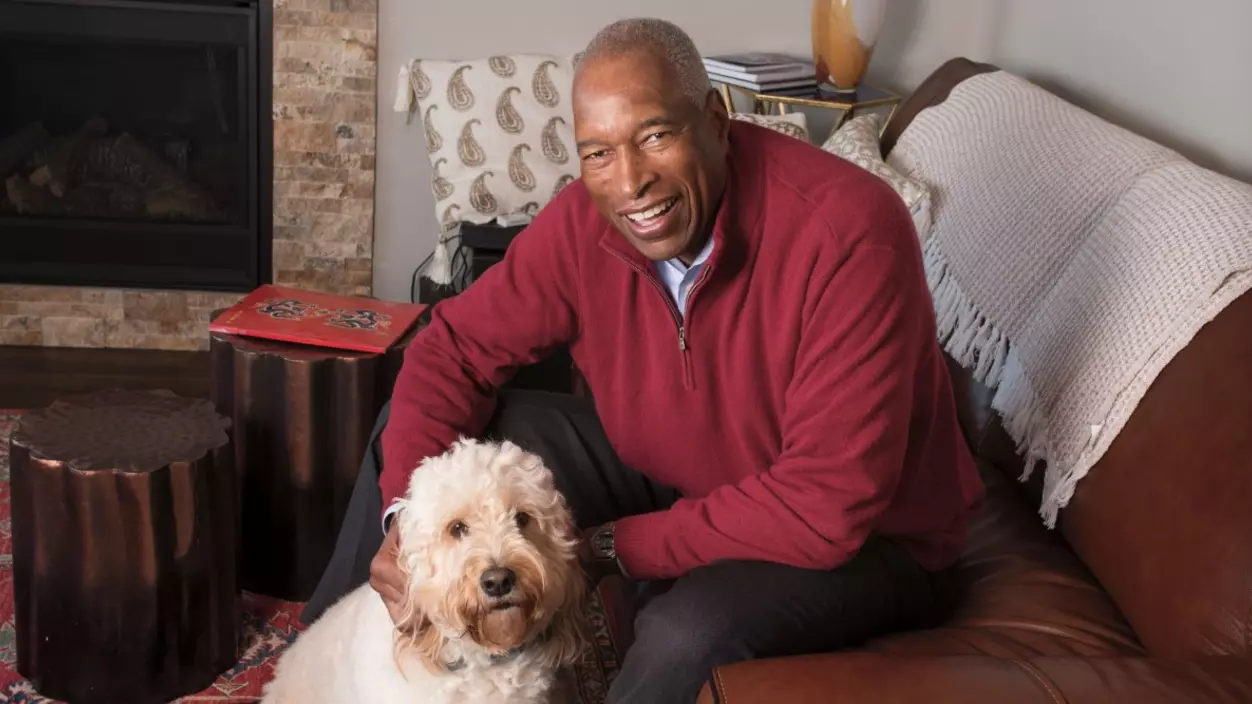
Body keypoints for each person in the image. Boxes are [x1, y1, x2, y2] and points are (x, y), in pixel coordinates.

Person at [303, 17, 984, 704]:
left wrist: (609, 549)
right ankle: (319, 666)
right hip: (681, 470)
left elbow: (824, 506)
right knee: (417, 447)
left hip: (867, 540)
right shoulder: (585, 223)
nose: (630, 183)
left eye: (655, 136)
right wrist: (405, 526)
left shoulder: (850, 233)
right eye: (597, 153)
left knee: (686, 630)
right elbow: (450, 351)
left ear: (716, 121)